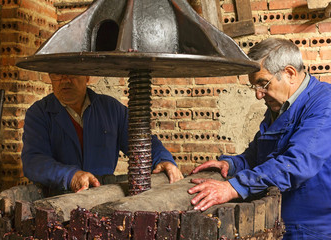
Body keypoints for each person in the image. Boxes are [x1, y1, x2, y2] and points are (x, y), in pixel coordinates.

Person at [187, 38, 331, 239]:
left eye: (263, 84)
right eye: (254, 86)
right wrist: (233, 164)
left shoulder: (324, 104)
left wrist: (233, 187)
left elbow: (298, 163)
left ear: (289, 73)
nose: (258, 95)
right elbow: (259, 152)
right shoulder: (279, 105)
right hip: (278, 219)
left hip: (312, 228)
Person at [21, 73, 183, 193]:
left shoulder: (111, 109)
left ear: (87, 76)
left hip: (103, 195)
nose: (65, 80)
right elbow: (34, 161)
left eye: (72, 72)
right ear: (50, 77)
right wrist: (70, 176)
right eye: (57, 74)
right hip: (58, 198)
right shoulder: (39, 113)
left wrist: (163, 159)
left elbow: (142, 141)